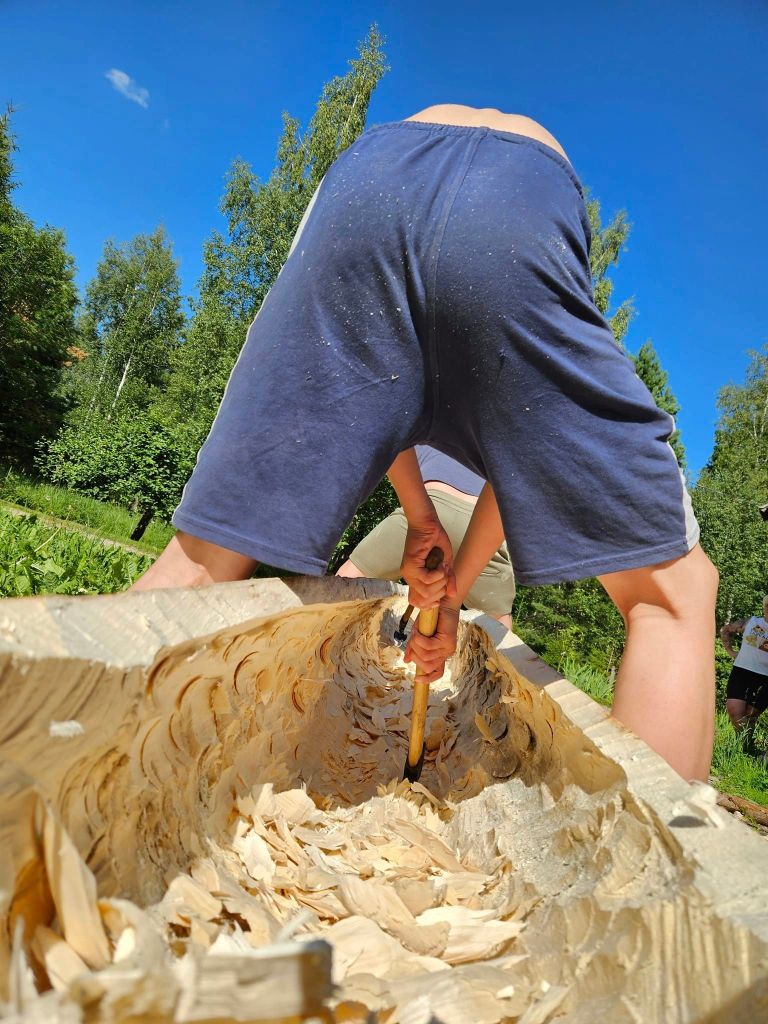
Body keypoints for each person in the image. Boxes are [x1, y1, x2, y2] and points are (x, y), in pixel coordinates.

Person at [132, 104, 718, 781]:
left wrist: (419, 518)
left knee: (202, 558)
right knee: (670, 597)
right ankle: (650, 853)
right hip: (521, 199)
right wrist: (453, 584)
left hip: (370, 180)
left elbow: (366, 406)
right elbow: (519, 474)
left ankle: (62, 797)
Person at [337, 445, 515, 630]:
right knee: (498, 621)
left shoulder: (428, 436)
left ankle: (322, 638)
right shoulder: (495, 449)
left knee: (349, 580)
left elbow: (392, 448)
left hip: (431, 505)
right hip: (486, 522)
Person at [721, 597, 768, 752]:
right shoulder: (751, 622)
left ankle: (746, 749)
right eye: (767, 605)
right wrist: (730, 651)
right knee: (734, 710)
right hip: (741, 671)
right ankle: (743, 746)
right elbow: (725, 629)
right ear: (764, 607)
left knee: (751, 714)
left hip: (765, 677)